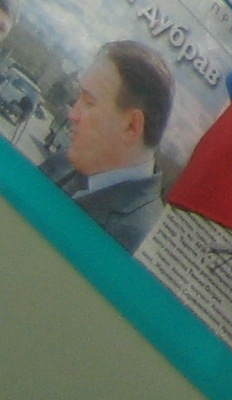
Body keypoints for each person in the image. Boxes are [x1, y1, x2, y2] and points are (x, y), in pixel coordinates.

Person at [40, 42, 174, 254]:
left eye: (89, 103)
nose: (72, 114)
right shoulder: (61, 162)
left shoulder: (140, 244)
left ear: (131, 127)